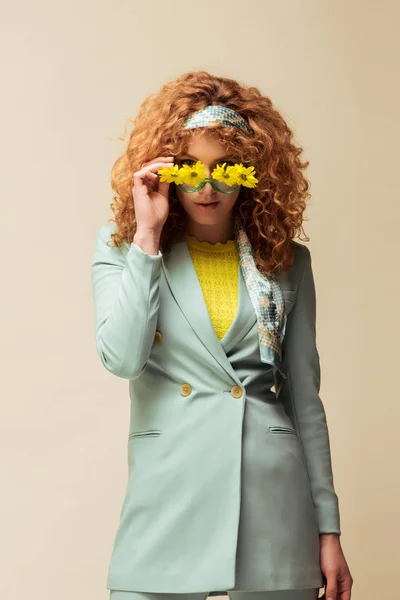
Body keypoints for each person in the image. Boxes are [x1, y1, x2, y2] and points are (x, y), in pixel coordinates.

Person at [91, 70, 353, 600]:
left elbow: (305, 398)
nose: (206, 187)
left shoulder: (287, 263)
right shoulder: (125, 248)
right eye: (190, 169)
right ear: (166, 172)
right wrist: (146, 235)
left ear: (254, 173)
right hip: (169, 493)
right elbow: (121, 359)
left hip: (272, 497)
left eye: (225, 169)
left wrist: (329, 530)